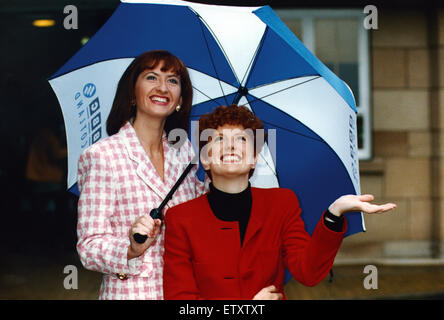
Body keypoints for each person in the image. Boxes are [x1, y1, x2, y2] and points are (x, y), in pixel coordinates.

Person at [163, 104, 396, 300]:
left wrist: (334, 213)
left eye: (242, 138)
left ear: (254, 158)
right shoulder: (180, 219)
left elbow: (308, 272)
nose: (230, 146)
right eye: (219, 139)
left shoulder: (282, 204)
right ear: (205, 160)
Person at [76, 50, 204, 300]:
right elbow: (88, 247)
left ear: (180, 98)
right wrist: (131, 249)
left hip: (184, 292)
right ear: (132, 93)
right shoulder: (104, 155)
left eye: (173, 81)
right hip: (132, 293)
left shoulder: (184, 152)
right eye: (151, 77)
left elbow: (199, 211)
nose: (163, 87)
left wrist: (219, 169)